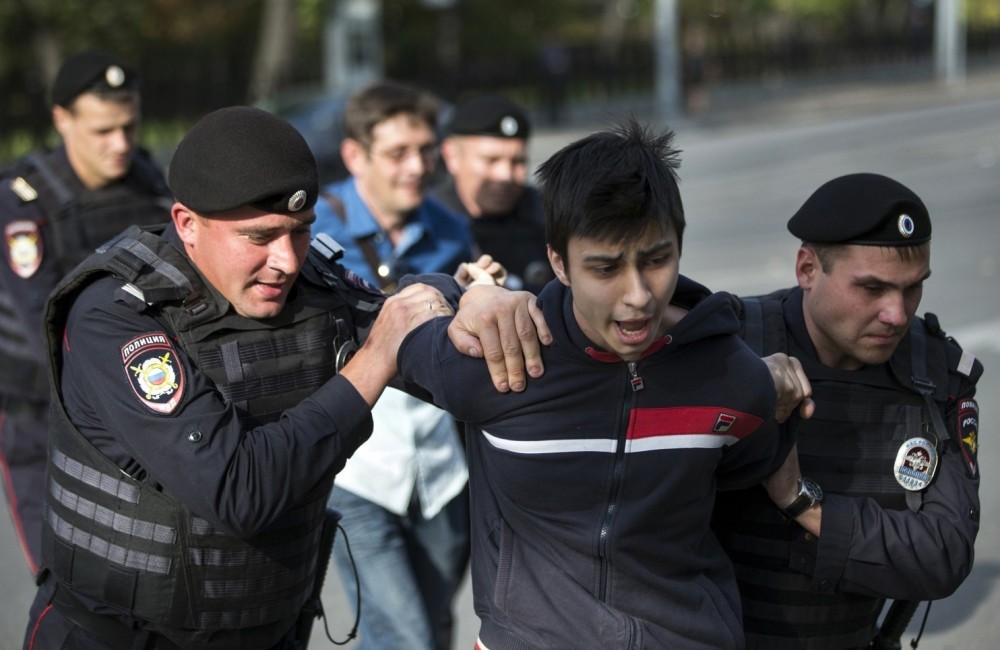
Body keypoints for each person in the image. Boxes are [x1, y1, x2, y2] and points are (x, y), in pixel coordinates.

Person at [21, 105, 546, 650]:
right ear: (187, 224)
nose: (287, 261)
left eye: (300, 232)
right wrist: (372, 361)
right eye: (260, 236)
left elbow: (417, 340)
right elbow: (237, 491)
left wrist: (467, 303)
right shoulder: (118, 315)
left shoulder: (312, 286)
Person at [394, 119, 795, 649]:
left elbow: (750, 467)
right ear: (559, 262)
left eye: (657, 260)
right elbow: (381, 320)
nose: (638, 295)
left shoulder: (735, 376)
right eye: (605, 269)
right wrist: (458, 292)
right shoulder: (498, 358)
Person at [712, 173, 984, 649]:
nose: (897, 314)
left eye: (912, 288)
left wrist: (803, 502)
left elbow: (943, 554)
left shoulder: (935, 373)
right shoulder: (730, 349)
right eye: (872, 288)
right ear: (808, 269)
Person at [311, 80, 476, 650]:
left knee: (431, 626)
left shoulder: (450, 228)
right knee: (405, 636)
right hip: (355, 472)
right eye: (398, 152)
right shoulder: (313, 229)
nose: (417, 167)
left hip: (439, 469)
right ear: (355, 155)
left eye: (426, 150)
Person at [0, 49, 173, 575]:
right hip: (42, 420)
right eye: (103, 131)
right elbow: (43, 320)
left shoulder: (150, 182)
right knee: (64, 580)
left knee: (148, 581)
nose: (120, 144)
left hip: (140, 410)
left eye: (129, 127)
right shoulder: (25, 201)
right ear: (62, 119)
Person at [432, 94, 553, 294]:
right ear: (451, 155)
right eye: (491, 160)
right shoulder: (428, 221)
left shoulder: (548, 215)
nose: (505, 175)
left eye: (518, 161)